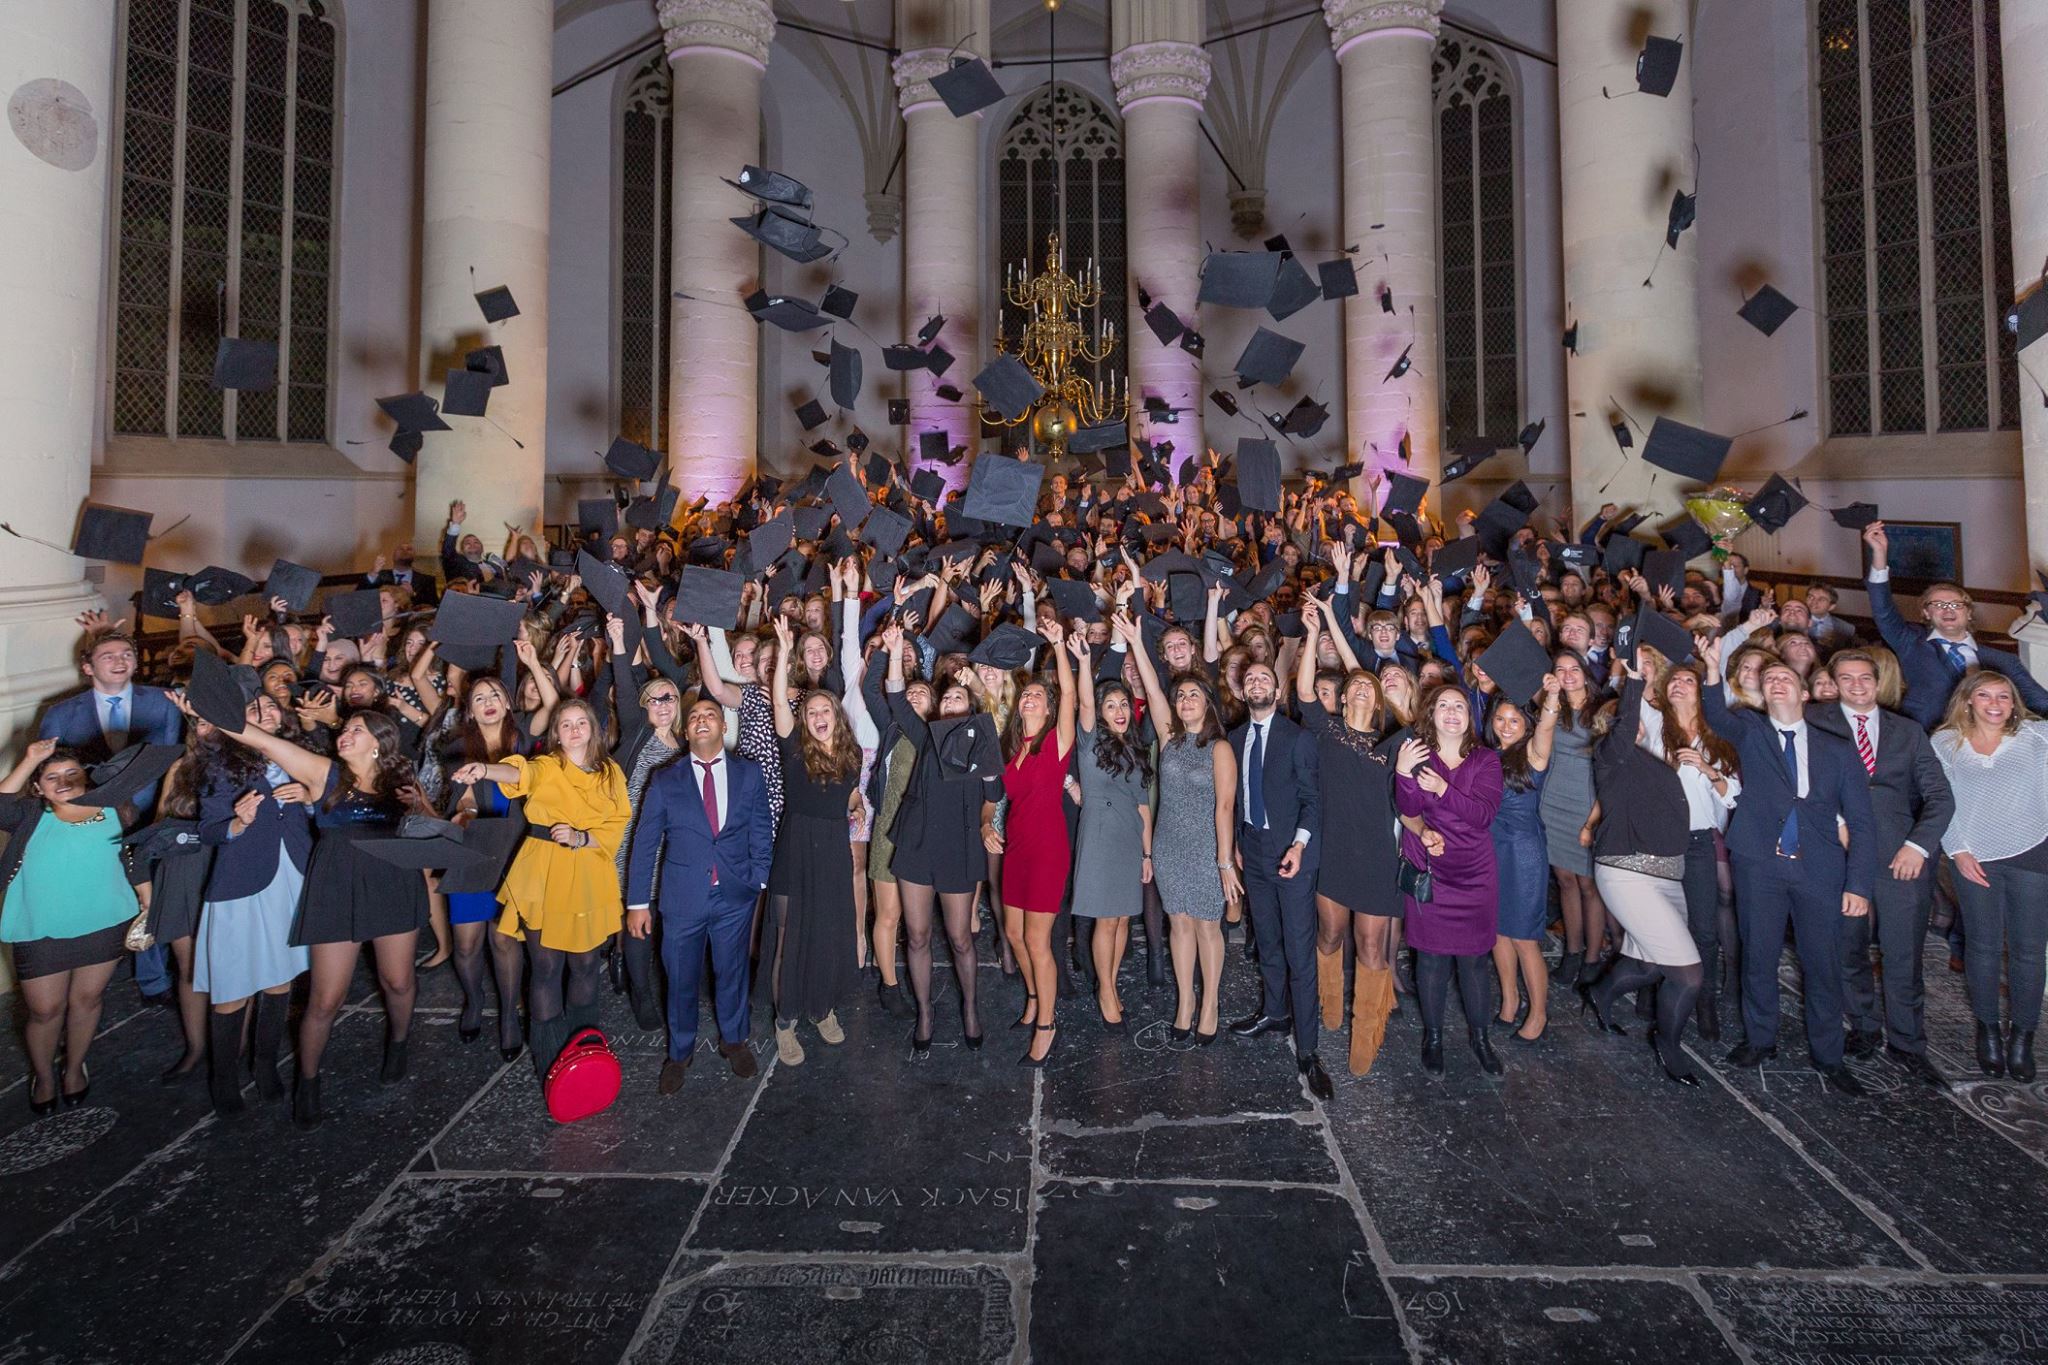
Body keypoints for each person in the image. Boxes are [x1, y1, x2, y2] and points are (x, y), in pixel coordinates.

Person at [209, 707, 432, 1127]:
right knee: (325, 999)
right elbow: (261, 740)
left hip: (392, 883)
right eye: (344, 729)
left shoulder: (400, 780)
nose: (345, 734)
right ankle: (308, 1083)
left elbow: (432, 829)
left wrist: (420, 805)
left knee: (398, 981)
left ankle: (399, 1044)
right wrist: (209, 708)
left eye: (356, 730)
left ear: (379, 742)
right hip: (336, 886)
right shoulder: (324, 772)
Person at [1706, 657, 1879, 1094]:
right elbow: (1713, 714)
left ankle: (1829, 1054)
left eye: (1786, 677)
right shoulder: (1751, 730)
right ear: (1762, 697)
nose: (1777, 682)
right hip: (1760, 864)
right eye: (1769, 681)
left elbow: (1861, 822)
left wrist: (1858, 885)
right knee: (1759, 956)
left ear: (1805, 693)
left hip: (1819, 868)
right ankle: (1760, 1039)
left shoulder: (1838, 748)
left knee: (1822, 963)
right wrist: (1711, 672)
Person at [452, 699, 630, 1082]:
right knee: (546, 968)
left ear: (594, 729)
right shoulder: (547, 766)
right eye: (565, 724)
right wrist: (484, 768)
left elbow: (619, 821)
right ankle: (549, 1057)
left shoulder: (611, 772)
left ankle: (584, 1046)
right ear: (556, 733)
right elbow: (519, 774)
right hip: (543, 873)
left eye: (582, 722)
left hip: (587, 874)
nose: (574, 729)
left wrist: (584, 837)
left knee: (585, 965)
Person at [1810, 649, 1954, 1085]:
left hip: (1900, 857)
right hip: (1839, 855)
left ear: (1878, 682)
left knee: (1903, 955)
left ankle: (1908, 1043)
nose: (1857, 685)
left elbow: (1940, 798)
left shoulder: (1908, 732)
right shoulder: (1814, 722)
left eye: (1865, 677)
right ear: (1833, 683)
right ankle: (1866, 1027)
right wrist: (1833, 823)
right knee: (1849, 947)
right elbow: (1796, 784)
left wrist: (1918, 846)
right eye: (1847, 678)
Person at [625, 697, 774, 1095]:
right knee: (680, 979)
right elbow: (644, 843)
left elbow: (761, 829)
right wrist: (637, 903)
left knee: (733, 972)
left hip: (734, 896)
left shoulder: (748, 773)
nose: (702, 720)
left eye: (710, 714)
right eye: (694, 717)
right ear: (686, 731)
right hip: (682, 900)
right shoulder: (665, 780)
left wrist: (757, 879)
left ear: (724, 727)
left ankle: (734, 1039)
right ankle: (679, 1052)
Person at [0, 740, 151, 1116]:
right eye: (52, 777)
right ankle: (44, 1076)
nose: (64, 782)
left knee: (87, 1000)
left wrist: (148, 900)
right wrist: (31, 759)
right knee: (45, 1011)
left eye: (72, 774)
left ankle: (73, 1068)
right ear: (38, 787)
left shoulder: (114, 809)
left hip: (104, 922)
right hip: (40, 928)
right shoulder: (29, 814)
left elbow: (133, 858)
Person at [39, 628, 182, 1002]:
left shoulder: (164, 702)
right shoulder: (61, 713)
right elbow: (53, 771)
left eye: (126, 654)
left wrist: (164, 810)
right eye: (108, 656)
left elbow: (175, 759)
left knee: (153, 895)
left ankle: (154, 980)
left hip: (151, 815)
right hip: (94, 823)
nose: (120, 661)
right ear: (88, 667)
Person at [191, 688, 314, 1116]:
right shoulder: (221, 762)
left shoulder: (302, 757)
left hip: (292, 874)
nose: (263, 712)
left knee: (279, 979)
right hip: (241, 881)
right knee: (232, 986)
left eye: (269, 707)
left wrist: (311, 799)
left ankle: (265, 1063)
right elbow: (208, 829)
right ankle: (222, 1076)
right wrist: (237, 822)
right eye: (251, 708)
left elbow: (332, 802)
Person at [1581, 671, 1707, 1086]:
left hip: (1669, 875)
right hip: (1628, 873)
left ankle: (1599, 993)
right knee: (1687, 974)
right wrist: (1633, 683)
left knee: (1651, 962)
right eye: (1623, 718)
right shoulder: (1608, 754)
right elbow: (1624, 725)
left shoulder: (1649, 757)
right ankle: (1669, 1047)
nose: (1633, 723)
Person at [1296, 598, 1403, 1074]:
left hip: (1379, 857)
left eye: (1367, 688)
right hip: (1335, 852)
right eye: (1352, 688)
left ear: (1377, 698)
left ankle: (1366, 1036)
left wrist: (1338, 630)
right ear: (1340, 698)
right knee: (1329, 934)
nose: (1360, 691)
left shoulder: (1393, 740)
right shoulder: (1327, 730)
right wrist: (1313, 634)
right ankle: (1331, 1007)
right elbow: (1302, 694)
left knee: (1373, 946)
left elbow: (1365, 672)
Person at [882, 622, 998, 1055]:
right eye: (945, 696)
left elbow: (993, 795)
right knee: (916, 936)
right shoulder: (925, 736)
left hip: (959, 847)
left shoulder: (982, 742)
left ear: (969, 708)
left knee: (961, 937)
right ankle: (926, 1011)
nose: (950, 700)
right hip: (917, 843)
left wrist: (987, 823)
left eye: (957, 697)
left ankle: (970, 1007)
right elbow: (896, 699)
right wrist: (895, 651)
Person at [1126, 612, 1242, 1043]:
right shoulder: (1170, 737)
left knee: (1208, 926)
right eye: (1182, 696)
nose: (1185, 699)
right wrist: (1137, 641)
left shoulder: (1220, 748)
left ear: (1207, 703)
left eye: (1194, 694)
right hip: (1170, 844)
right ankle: (1185, 1002)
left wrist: (1226, 863)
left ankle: (1210, 1001)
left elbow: (1225, 808)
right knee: (1178, 924)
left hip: (1208, 848)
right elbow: (1154, 690)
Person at [1928, 670, 2048, 1082]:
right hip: (1973, 856)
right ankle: (1989, 1030)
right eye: (1985, 695)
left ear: (2014, 703)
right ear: (1968, 701)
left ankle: (2023, 1036)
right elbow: (1940, 801)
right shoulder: (1945, 743)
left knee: (2029, 949)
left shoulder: (2036, 738)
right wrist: (1957, 849)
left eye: (2004, 696)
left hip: (2034, 851)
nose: (1995, 704)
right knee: (1982, 945)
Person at [1226, 659, 1331, 1100]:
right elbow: (1234, 798)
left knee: (1298, 952)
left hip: (1291, 853)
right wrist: (1233, 844)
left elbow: (1312, 800)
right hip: (1252, 848)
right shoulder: (1233, 739)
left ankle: (1308, 1050)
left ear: (1276, 689)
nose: (1255, 683)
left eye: (1263, 677)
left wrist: (1299, 846)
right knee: (1266, 940)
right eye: (1249, 678)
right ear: (1240, 689)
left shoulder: (1297, 738)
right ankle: (1274, 1012)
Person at [762, 616, 863, 1065]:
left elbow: (852, 793)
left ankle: (821, 1009)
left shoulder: (852, 754)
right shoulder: (794, 748)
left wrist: (857, 805)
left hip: (833, 852)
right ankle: (785, 1020)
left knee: (826, 934)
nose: (819, 717)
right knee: (789, 937)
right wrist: (784, 651)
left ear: (836, 717)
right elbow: (780, 705)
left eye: (825, 711)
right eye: (812, 712)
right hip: (795, 848)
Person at [1394, 685, 1506, 1076]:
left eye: (1459, 706)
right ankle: (1434, 1036)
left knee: (1475, 962)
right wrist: (1403, 773)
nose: (1452, 712)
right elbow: (1407, 809)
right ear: (1432, 714)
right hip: (1432, 872)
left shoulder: (1486, 760)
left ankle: (1480, 1037)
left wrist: (1442, 789)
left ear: (1470, 717)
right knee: (1432, 960)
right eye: (1443, 705)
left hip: (1475, 874)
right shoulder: (1418, 755)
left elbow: (1482, 816)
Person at [1861, 522, 2048, 728]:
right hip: (1926, 738)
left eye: (1956, 605)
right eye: (1938, 605)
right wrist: (1879, 554)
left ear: (1968, 613)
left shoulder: (2004, 660)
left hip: (1981, 742)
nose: (1948, 610)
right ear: (1926, 613)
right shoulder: (1911, 643)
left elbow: (2041, 702)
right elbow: (1883, 612)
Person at [1643, 655, 1742, 1042]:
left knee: (1703, 929)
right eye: (1674, 681)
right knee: (1660, 925)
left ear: (1701, 692)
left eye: (1688, 680)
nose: (1679, 685)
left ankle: (1705, 1002)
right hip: (1659, 841)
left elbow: (1732, 795)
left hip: (1699, 841)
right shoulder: (1655, 728)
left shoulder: (1718, 736)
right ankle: (1657, 995)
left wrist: (1707, 768)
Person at [998, 623, 1077, 1066]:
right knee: (1013, 934)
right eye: (1026, 695)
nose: (1030, 698)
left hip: (1048, 849)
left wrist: (1059, 646)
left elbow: (1069, 694)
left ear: (1048, 709)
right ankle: (1032, 996)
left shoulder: (1056, 742)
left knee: (1037, 940)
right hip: (1017, 848)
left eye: (1038, 696)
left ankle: (1047, 1024)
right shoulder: (1015, 747)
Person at [1067, 630, 1153, 1032]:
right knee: (1105, 919)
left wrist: (1147, 854)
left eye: (1123, 704)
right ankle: (1104, 991)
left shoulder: (1134, 748)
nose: (1119, 710)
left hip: (1128, 836)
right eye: (1111, 705)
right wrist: (1085, 662)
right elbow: (1084, 700)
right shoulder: (1089, 742)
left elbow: (1142, 805)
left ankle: (1112, 984)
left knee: (1122, 920)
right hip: (1099, 834)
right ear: (1100, 712)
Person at [1486, 675, 1561, 1045]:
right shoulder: (1487, 756)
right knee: (1498, 932)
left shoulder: (1533, 753)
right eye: (1500, 719)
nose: (1506, 725)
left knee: (1525, 938)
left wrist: (1551, 696)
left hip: (1524, 853)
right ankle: (1510, 1000)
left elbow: (1547, 723)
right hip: (1492, 851)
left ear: (1526, 725)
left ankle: (1539, 1013)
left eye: (1514, 720)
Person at [1540, 649, 1610, 986]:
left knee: (1588, 884)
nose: (1568, 675)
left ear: (1586, 673)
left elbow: (1610, 770)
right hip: (1553, 801)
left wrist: (1592, 821)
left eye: (1574, 669)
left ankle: (1593, 959)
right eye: (1560, 668)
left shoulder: (1603, 711)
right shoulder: (1554, 706)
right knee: (1565, 880)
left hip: (1588, 802)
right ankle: (1572, 952)